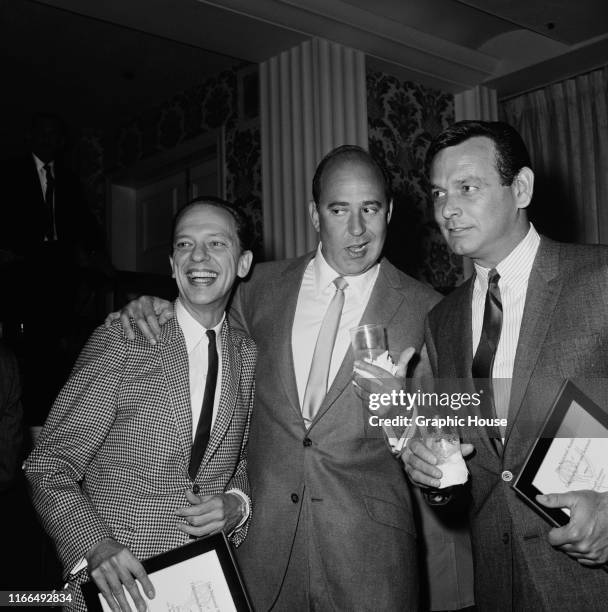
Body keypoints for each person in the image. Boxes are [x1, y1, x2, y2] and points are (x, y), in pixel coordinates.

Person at [109, 146, 475, 611]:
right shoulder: (256, 289)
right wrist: (157, 305)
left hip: (371, 561)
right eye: (339, 209)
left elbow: (444, 444)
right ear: (315, 215)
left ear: (390, 212)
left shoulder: (429, 309)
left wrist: (402, 410)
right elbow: (201, 325)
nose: (357, 229)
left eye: (371, 208)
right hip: (261, 554)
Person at [402, 121, 608, 611]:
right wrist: (431, 472)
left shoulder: (600, 281)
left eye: (467, 188)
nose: (446, 209)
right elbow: (469, 479)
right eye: (438, 193)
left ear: (521, 188)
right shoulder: (442, 320)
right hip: (497, 588)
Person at [25, 197, 257, 612]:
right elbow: (48, 463)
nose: (198, 255)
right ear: (171, 265)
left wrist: (236, 505)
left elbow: (238, 459)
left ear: (243, 263)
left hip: (200, 589)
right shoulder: (125, 339)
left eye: (217, 243)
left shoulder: (248, 355)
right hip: (115, 591)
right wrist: (93, 546)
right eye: (185, 244)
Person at [0, 113, 110, 426]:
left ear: (62, 141)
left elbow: (85, 223)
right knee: (29, 351)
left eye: (55, 134)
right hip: (22, 268)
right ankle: (30, 417)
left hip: (59, 270)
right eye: (43, 132)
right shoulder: (9, 172)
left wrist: (97, 256)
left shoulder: (69, 180)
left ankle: (55, 419)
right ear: (30, 136)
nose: (49, 139)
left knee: (59, 351)